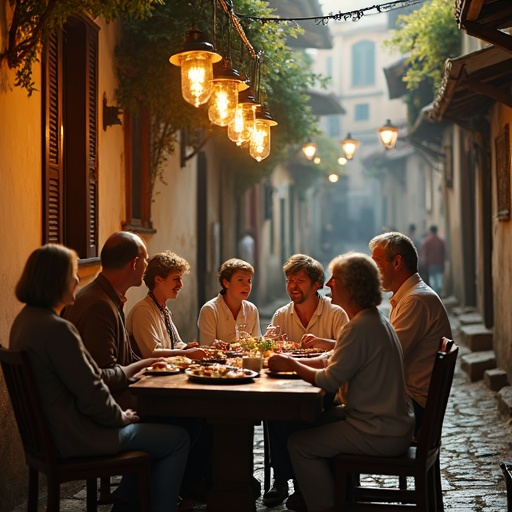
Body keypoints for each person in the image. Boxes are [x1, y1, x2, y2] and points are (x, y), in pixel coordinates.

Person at [9, 244, 190, 512]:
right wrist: (121, 418)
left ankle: (129, 502)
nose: (76, 280)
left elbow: (91, 377)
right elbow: (92, 391)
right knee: (178, 438)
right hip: (76, 436)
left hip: (52, 433)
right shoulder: (57, 329)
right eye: (72, 273)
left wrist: (138, 366)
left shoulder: (25, 320)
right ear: (55, 280)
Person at [268, 252, 414, 512]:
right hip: (388, 422)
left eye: (335, 279)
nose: (327, 285)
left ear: (351, 287)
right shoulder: (372, 319)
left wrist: (291, 364)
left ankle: (325, 505)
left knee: (299, 444)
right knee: (307, 423)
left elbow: (330, 378)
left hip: (378, 430)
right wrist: (301, 358)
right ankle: (318, 493)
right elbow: (332, 358)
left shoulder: (359, 327)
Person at [263, 254, 349, 510]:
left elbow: (348, 350)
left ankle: (301, 482)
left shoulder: (335, 314)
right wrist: (269, 343)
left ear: (316, 284)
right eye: (290, 280)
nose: (293, 286)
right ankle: (282, 479)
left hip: (325, 388)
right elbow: (272, 350)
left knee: (299, 412)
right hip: (287, 384)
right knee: (273, 407)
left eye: (300, 280)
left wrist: (325, 344)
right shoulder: (281, 315)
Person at [369, 231, 452, 435]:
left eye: (377, 263)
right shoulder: (409, 296)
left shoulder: (415, 301)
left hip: (412, 407)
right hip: (408, 400)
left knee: (330, 424)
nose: (373, 271)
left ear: (397, 263)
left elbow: (387, 358)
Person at [63, 231, 155, 408]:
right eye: (146, 260)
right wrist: (147, 364)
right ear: (135, 263)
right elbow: (103, 377)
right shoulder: (99, 306)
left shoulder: (105, 296)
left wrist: (163, 364)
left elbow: (126, 359)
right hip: (108, 407)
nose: (147, 266)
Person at [127, 251, 206, 360]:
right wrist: (186, 353)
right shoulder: (143, 311)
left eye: (181, 279)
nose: (180, 285)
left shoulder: (162, 308)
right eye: (175, 279)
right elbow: (151, 353)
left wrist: (187, 347)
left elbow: (175, 343)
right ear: (158, 280)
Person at [197, 258, 261, 345]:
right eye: (240, 280)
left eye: (249, 281)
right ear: (226, 283)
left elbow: (256, 343)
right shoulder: (210, 310)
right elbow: (207, 347)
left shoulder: (251, 310)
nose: (246, 285)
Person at [420, 225, 446, 295]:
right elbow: (444, 253)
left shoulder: (427, 241)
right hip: (440, 264)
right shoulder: (441, 241)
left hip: (431, 264)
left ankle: (435, 295)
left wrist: (424, 264)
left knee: (433, 281)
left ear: (430, 231)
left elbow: (424, 254)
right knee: (439, 280)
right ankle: (439, 293)